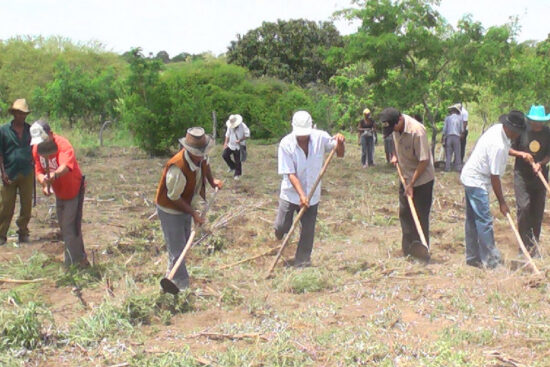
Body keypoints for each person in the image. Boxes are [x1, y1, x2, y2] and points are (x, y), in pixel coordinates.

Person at [155, 127, 223, 291]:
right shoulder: (177, 168)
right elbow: (173, 197)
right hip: (170, 208)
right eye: (198, 153)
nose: (201, 155)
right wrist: (193, 214)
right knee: (178, 248)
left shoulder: (201, 157)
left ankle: (170, 274)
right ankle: (182, 286)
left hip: (185, 204)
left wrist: (212, 182)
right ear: (188, 149)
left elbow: (205, 166)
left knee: (182, 244)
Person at [274, 111, 345, 267]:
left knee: (308, 231)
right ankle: (278, 232)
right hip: (291, 194)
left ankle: (302, 261)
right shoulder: (286, 144)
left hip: (313, 194)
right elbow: (290, 174)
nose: (303, 137)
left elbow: (339, 154)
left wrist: (340, 142)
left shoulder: (321, 137)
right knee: (282, 226)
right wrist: (301, 195)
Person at [460, 110, 526, 268]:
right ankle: (492, 262)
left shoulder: (499, 130)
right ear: (510, 129)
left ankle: (473, 257)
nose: (518, 136)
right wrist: (502, 202)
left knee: (473, 220)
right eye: (517, 132)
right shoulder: (497, 144)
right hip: (477, 181)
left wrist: (519, 154)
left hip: (471, 177)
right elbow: (494, 177)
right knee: (484, 221)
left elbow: (505, 150)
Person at [30, 120, 88, 267]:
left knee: (69, 226)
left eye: (43, 139)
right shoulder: (37, 148)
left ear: (50, 133)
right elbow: (39, 170)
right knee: (65, 226)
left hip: (74, 189)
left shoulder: (63, 145)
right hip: (59, 193)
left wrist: (54, 176)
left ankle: (72, 264)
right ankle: (80, 258)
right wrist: (44, 183)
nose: (40, 143)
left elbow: (66, 166)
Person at [380, 108, 434, 261]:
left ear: (400, 120)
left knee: (420, 215)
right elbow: (395, 143)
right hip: (405, 177)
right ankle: (408, 250)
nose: (392, 131)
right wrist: (395, 156)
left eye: (393, 127)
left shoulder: (417, 131)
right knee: (405, 213)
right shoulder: (395, 129)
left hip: (422, 179)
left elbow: (424, 161)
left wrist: (412, 184)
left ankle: (421, 251)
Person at [509, 105, 550, 258]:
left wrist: (541, 163)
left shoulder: (547, 133)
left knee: (537, 211)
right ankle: (523, 247)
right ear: (530, 120)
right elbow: (509, 149)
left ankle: (534, 247)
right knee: (524, 208)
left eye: (539, 122)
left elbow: (549, 154)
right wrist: (522, 154)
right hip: (522, 176)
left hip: (540, 176)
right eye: (534, 121)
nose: (536, 124)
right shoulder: (522, 131)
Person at [0, 99, 34, 245]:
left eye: (24, 114)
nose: (21, 116)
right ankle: (1, 234)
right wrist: (3, 172)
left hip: (27, 172)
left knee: (26, 205)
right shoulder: (3, 130)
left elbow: (37, 149)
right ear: (14, 113)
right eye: (19, 113)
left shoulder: (30, 129)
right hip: (10, 172)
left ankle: (23, 232)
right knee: (6, 205)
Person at [222, 114, 250, 180]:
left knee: (238, 160)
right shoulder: (230, 126)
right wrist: (225, 143)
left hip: (239, 146)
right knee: (225, 155)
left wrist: (240, 140)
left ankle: (237, 174)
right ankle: (232, 166)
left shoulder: (243, 126)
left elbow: (247, 135)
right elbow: (227, 134)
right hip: (231, 145)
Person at [442, 104, 464, 172]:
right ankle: (458, 168)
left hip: (449, 137)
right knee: (457, 153)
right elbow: (462, 129)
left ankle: (447, 168)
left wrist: (443, 137)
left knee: (448, 153)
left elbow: (444, 129)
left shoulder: (447, 118)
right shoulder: (460, 118)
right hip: (456, 137)